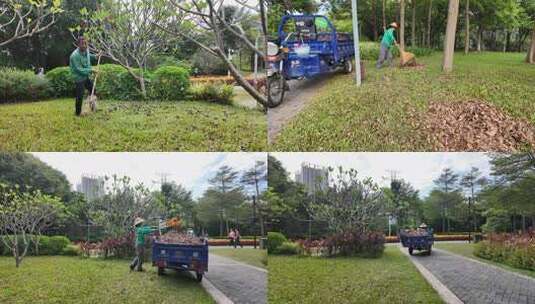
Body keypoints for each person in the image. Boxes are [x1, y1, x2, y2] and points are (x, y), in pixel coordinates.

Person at [69, 36, 97, 116]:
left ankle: (92, 106)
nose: (84, 45)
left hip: (86, 76)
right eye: (82, 44)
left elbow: (88, 55)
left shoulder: (86, 50)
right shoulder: (74, 56)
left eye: (86, 43)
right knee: (80, 96)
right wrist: (91, 70)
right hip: (78, 77)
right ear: (78, 45)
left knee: (93, 90)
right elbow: (79, 69)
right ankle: (77, 113)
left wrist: (95, 56)